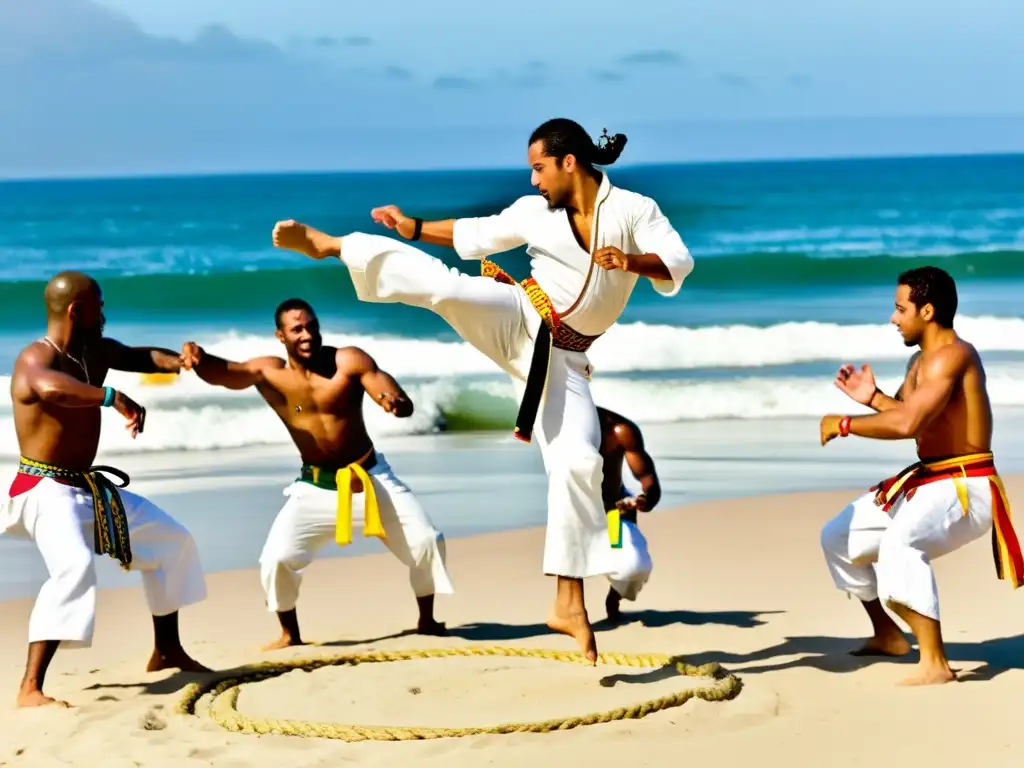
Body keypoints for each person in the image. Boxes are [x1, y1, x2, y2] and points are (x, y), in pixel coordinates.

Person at [270, 119, 693, 663]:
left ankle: (568, 602)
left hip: (564, 360)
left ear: (568, 162)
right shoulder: (532, 212)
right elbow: (474, 234)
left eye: (538, 167)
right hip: (518, 316)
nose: (534, 179)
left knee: (578, 463)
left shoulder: (635, 211)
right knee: (446, 288)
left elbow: (677, 261)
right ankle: (333, 246)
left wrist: (629, 261)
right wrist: (412, 226)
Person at [181, 298, 453, 650]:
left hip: (370, 477)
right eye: (297, 329)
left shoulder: (347, 362)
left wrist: (393, 400)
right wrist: (199, 358)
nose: (307, 334)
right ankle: (289, 635)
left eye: (312, 326)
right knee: (276, 560)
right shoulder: (270, 374)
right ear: (281, 336)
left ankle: (427, 620)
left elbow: (383, 385)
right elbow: (226, 374)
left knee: (428, 541)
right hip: (315, 485)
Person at [1, 272, 210, 708]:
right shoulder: (35, 359)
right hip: (43, 489)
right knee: (74, 567)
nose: (105, 312)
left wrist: (184, 361)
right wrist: (112, 396)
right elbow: (51, 389)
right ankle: (30, 688)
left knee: (172, 541)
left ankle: (167, 650)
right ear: (77, 311)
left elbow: (144, 356)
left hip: (87, 488)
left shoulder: (95, 351)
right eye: (99, 304)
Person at [819, 266, 1022, 686]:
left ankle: (936, 663)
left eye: (900, 309)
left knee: (901, 543)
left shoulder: (954, 355)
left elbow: (907, 424)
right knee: (839, 536)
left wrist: (844, 423)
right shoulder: (921, 361)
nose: (893, 318)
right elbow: (912, 415)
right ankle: (888, 635)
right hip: (929, 481)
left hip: (966, 485)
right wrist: (872, 398)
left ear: (926, 311)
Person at [596, 406, 660, 623]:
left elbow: (648, 479)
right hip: (570, 513)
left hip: (614, 512)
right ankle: (572, 612)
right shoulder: (557, 427)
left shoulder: (619, 430)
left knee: (635, 567)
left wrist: (645, 499)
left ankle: (615, 593)